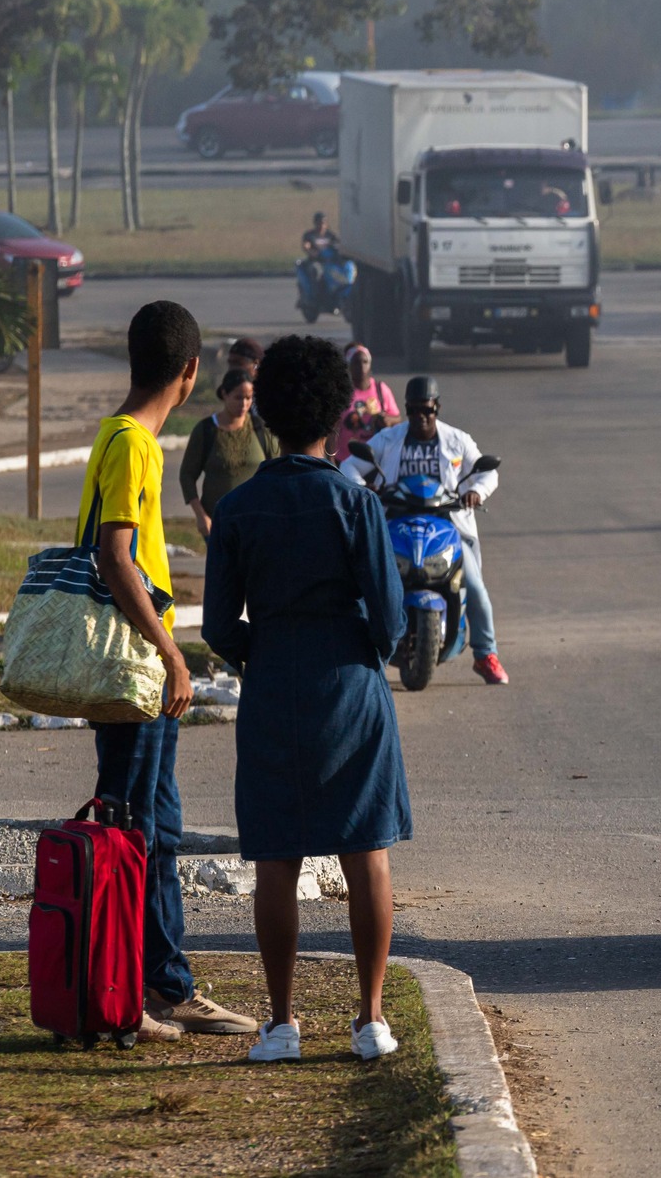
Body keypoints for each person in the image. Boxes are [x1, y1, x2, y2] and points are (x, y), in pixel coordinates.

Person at [202, 334, 411, 1064]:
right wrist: (357, 652)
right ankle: (371, 1017)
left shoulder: (237, 510)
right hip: (350, 683)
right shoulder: (356, 504)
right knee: (367, 854)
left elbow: (221, 625)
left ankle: (283, 1021)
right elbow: (391, 620)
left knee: (277, 860)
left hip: (272, 686)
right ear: (335, 413)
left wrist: (262, 652)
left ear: (270, 417)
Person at [84, 301, 258, 1043]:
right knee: (127, 831)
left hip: (140, 665)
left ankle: (166, 985)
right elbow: (114, 555)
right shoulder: (133, 444)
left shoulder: (126, 438)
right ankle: (119, 997)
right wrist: (171, 650)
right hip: (137, 665)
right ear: (189, 374)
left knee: (157, 827)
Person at [342, 376, 507, 685]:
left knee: (474, 584)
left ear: (437, 408)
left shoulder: (458, 440)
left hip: (447, 527)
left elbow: (488, 472)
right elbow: (350, 466)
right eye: (414, 410)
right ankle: (354, 651)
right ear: (406, 409)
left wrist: (476, 493)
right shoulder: (389, 439)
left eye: (427, 410)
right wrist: (366, 491)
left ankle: (486, 654)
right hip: (395, 524)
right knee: (363, 581)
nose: (420, 417)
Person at [178, 368, 279, 538]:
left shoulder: (261, 429)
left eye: (248, 398)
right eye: (238, 397)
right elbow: (187, 475)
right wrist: (201, 516)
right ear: (224, 394)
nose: (244, 404)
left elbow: (278, 472)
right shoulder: (206, 430)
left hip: (256, 523)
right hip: (218, 524)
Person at [333, 344, 400, 461]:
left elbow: (397, 418)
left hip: (377, 459)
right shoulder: (342, 392)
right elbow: (332, 429)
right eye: (356, 362)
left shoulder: (381, 389)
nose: (361, 366)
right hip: (345, 459)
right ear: (349, 365)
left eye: (365, 362)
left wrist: (387, 420)